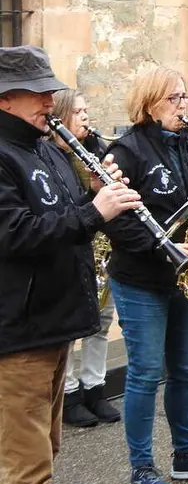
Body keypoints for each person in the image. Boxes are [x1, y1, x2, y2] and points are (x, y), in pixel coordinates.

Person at [0, 45, 140, 484]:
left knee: (41, 453)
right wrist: (93, 212)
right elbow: (14, 233)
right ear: (4, 100)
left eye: (50, 92)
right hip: (19, 334)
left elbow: (65, 215)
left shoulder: (44, 147)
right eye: (37, 94)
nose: (49, 103)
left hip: (55, 323)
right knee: (26, 468)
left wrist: (99, 197)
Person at [103, 66, 188, 484]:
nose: (183, 106)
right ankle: (141, 468)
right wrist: (169, 250)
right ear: (149, 103)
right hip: (141, 279)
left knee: (185, 369)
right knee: (144, 373)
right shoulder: (126, 151)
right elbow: (117, 225)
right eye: (174, 98)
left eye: (186, 97)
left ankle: (187, 453)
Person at [47, 89, 121, 427]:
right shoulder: (50, 156)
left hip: (101, 247)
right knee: (72, 327)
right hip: (72, 248)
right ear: (59, 116)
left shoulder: (95, 149)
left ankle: (96, 387)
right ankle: (71, 393)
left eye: (86, 110)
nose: (86, 117)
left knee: (101, 321)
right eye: (78, 112)